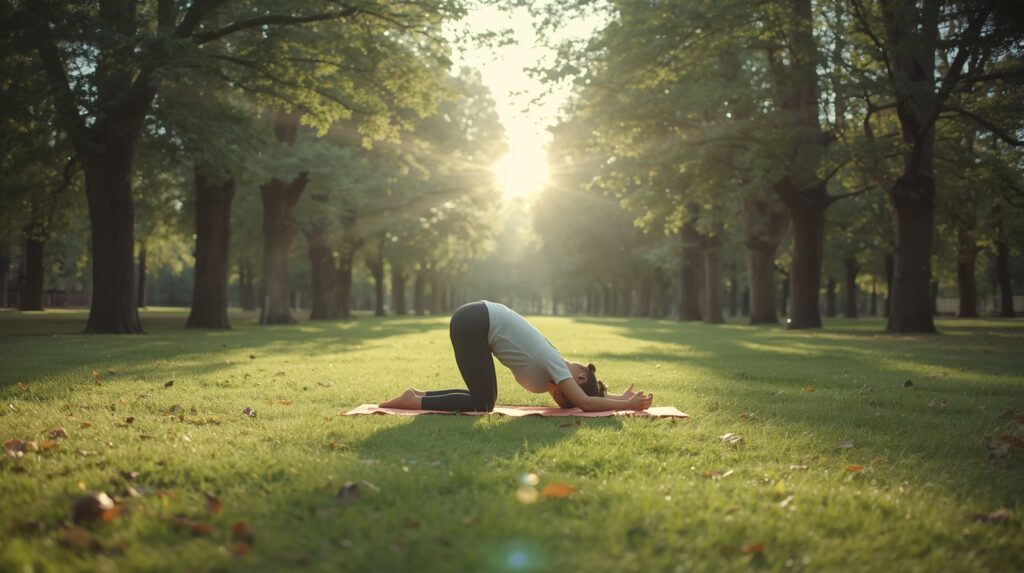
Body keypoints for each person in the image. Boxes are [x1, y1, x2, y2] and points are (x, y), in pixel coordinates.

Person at [379, 300, 654, 412]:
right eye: (563, 395)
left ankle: (416, 395)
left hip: (475, 320)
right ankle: (414, 401)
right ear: (579, 377)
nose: (556, 395)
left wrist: (619, 397)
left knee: (483, 398)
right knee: (483, 403)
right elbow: (585, 401)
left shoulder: (554, 362)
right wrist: (628, 406)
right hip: (475, 321)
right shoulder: (556, 364)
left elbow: (588, 395)